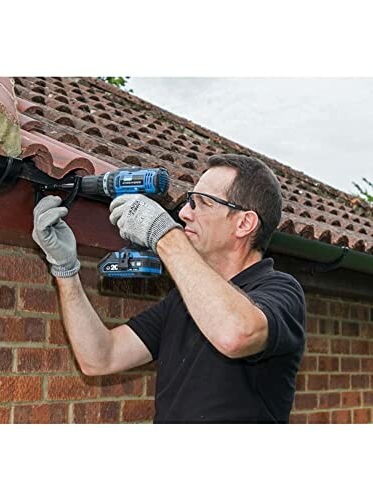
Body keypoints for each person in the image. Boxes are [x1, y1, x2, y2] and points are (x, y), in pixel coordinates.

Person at [32, 154, 306, 423]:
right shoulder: (182, 301)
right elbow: (100, 357)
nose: (184, 213)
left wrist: (163, 233)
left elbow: (235, 335)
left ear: (244, 223)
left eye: (201, 204)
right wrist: (65, 270)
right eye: (189, 202)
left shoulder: (280, 291)